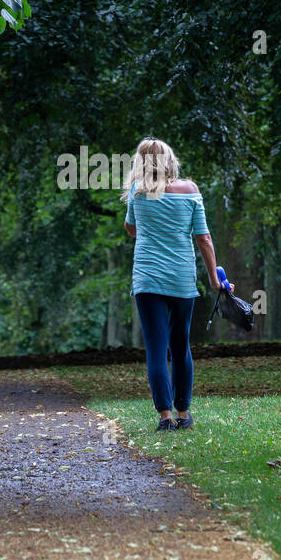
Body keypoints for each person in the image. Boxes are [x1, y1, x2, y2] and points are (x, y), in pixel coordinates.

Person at [121, 137, 226, 432]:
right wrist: (214, 279)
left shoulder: (137, 192)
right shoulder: (190, 191)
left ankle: (165, 418)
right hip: (181, 280)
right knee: (181, 347)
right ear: (169, 161)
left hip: (147, 280)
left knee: (156, 348)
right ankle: (184, 414)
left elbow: (131, 228)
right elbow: (203, 238)